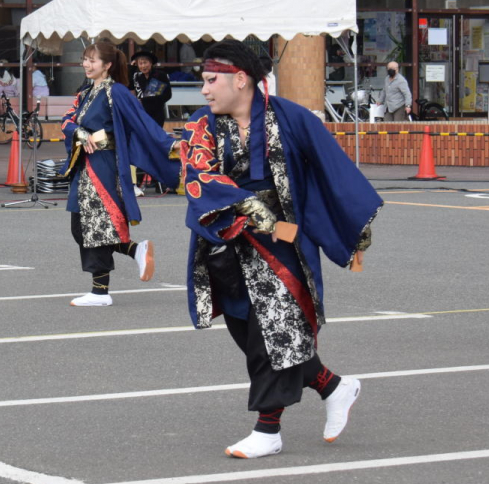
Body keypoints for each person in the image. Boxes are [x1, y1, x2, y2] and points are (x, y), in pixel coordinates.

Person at [180, 40, 382, 458]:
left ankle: (267, 430)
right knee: (252, 331)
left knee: (270, 330)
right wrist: (244, 203)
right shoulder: (202, 124)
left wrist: (355, 224)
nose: (205, 90)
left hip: (284, 243)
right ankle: (333, 386)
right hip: (228, 241)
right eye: (203, 82)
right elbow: (196, 174)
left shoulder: (290, 117)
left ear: (241, 79)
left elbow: (333, 169)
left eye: (211, 80)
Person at [61, 40, 181, 307]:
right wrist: (79, 132)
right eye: (84, 59)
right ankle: (135, 250)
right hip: (84, 165)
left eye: (92, 61)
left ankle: (100, 292)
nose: (86, 65)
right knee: (82, 227)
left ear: (107, 65)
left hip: (102, 166)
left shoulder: (117, 92)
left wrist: (170, 145)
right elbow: (66, 121)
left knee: (94, 225)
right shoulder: (84, 93)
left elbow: (143, 123)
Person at [130, 50, 173, 194]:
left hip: (156, 115)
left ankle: (159, 180)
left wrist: (145, 102)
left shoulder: (159, 75)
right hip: (142, 115)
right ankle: (141, 180)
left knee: (155, 145)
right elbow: (130, 87)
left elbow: (165, 95)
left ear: (151, 63)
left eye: (145, 62)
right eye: (140, 63)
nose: (143, 66)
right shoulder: (137, 76)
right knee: (142, 145)